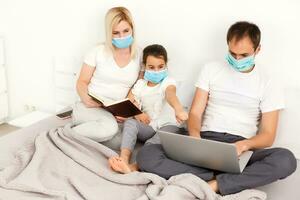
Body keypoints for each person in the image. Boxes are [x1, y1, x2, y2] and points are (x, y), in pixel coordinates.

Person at [135, 21, 297, 195]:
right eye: (232, 53)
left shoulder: (269, 81)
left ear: (258, 50)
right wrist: (196, 138)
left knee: (286, 160)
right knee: (147, 155)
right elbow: (195, 113)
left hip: (240, 148)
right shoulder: (211, 69)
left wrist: (243, 145)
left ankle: (212, 184)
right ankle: (220, 178)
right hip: (206, 139)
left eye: (244, 55)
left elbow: (268, 135)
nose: (237, 60)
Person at [108, 44, 188, 174]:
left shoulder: (168, 81)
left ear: (166, 65)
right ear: (145, 66)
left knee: (154, 141)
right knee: (130, 123)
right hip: (149, 126)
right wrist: (137, 114)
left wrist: (178, 109)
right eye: (151, 67)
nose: (156, 71)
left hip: (168, 125)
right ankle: (124, 158)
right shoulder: (141, 85)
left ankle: (134, 167)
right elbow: (128, 102)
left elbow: (170, 94)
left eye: (160, 67)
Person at [72, 7, 143, 143]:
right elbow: (82, 81)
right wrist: (86, 98)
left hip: (115, 112)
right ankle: (66, 134)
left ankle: (88, 133)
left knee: (121, 141)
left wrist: (126, 112)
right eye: (116, 33)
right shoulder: (97, 51)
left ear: (132, 29)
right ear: (109, 33)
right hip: (91, 107)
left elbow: (137, 87)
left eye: (126, 31)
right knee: (109, 129)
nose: (122, 36)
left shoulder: (140, 55)